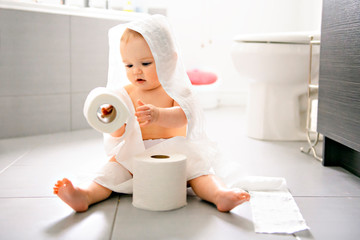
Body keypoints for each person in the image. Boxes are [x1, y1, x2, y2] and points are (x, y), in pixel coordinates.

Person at [53, 15, 250, 213]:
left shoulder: (176, 90)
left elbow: (185, 116)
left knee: (200, 172)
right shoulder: (125, 93)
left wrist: (158, 115)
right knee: (110, 171)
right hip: (135, 151)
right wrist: (113, 120)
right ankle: (84, 195)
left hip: (176, 150)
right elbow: (117, 134)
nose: (136, 71)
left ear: (170, 61)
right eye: (129, 65)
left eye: (145, 63)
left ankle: (219, 194)